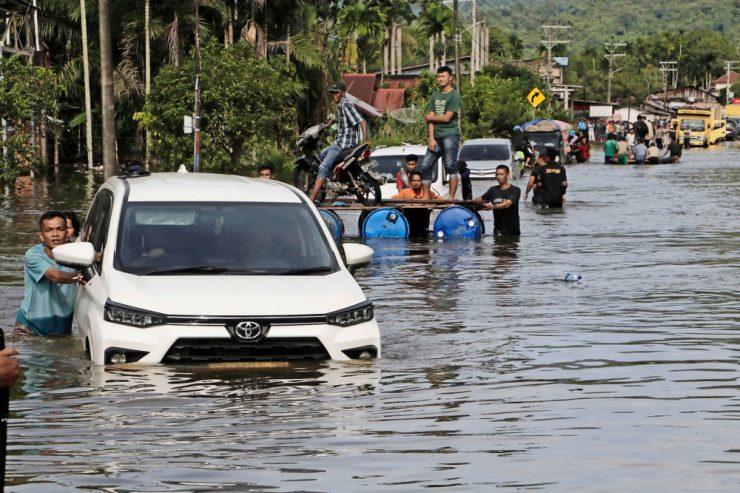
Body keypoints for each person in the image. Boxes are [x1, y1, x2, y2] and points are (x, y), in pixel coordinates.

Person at [15, 211, 83, 336]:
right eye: (49, 230)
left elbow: (97, 257)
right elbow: (54, 276)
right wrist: (80, 278)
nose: (55, 234)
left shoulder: (77, 254)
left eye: (60, 229)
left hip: (62, 327)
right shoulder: (33, 255)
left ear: (67, 233)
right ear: (41, 236)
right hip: (29, 328)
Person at [308, 81, 369, 202]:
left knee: (323, 167)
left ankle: (312, 198)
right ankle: (332, 181)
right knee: (321, 156)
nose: (334, 95)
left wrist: (366, 140)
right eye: (333, 93)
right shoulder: (341, 105)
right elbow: (346, 121)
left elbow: (362, 121)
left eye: (336, 93)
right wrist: (334, 121)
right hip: (338, 142)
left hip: (342, 145)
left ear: (343, 93)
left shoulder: (346, 104)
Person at [420, 66, 461, 200]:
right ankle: (426, 197)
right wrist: (431, 138)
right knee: (425, 165)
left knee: (450, 165)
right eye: (439, 76)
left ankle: (451, 197)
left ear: (450, 78)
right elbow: (430, 120)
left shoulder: (454, 95)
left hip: (450, 135)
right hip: (436, 137)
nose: (441, 79)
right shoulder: (435, 96)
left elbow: (446, 118)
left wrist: (431, 118)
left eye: (443, 76)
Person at [473, 165, 520, 236]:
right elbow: (479, 201)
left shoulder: (515, 190)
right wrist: (465, 203)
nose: (499, 177)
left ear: (507, 175)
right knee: (497, 246)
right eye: (497, 174)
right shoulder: (493, 190)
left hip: (513, 231)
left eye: (501, 174)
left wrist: (492, 207)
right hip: (498, 230)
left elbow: (507, 204)